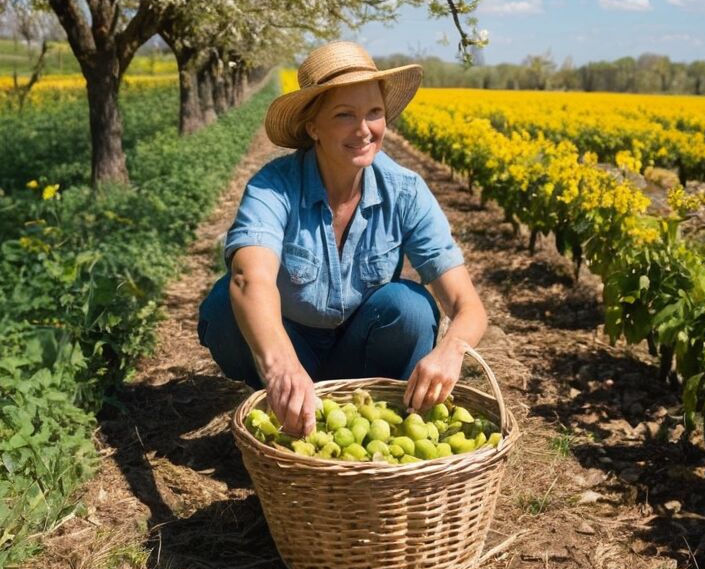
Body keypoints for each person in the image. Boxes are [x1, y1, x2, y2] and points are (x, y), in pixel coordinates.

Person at [197, 41, 488, 437]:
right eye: (344, 115)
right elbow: (250, 277)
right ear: (312, 127)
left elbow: (467, 304)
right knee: (225, 305)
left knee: (411, 306)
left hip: (365, 354)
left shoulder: (406, 191)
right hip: (292, 343)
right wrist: (282, 368)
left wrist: (451, 351)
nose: (364, 129)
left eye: (374, 113)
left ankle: (377, 413)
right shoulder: (275, 187)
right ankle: (285, 398)